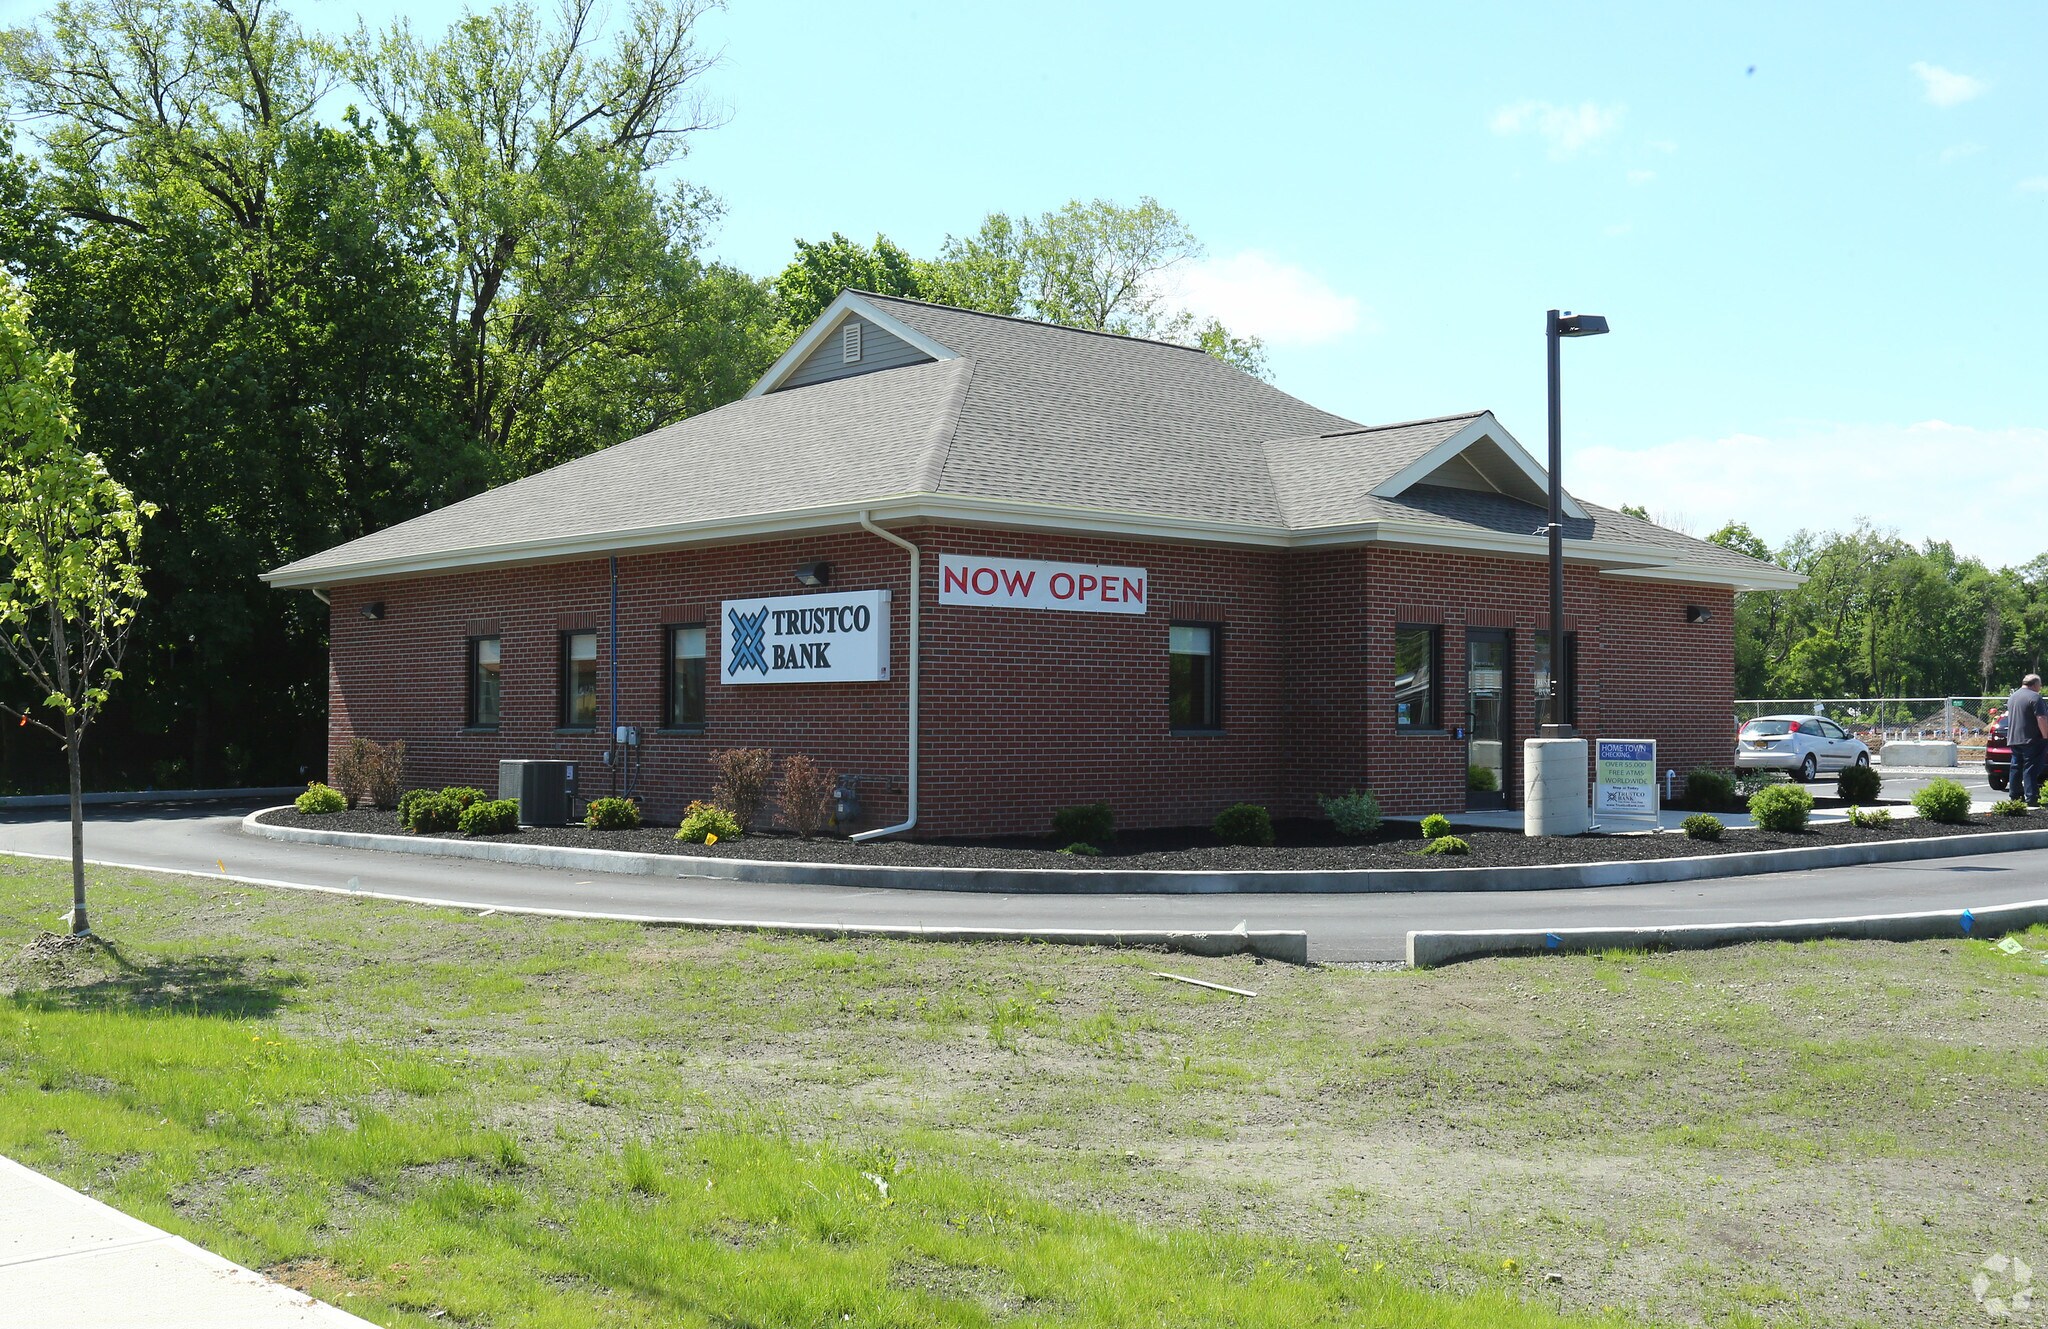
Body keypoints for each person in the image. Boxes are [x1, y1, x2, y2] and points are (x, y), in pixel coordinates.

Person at [2005, 675, 2048, 803]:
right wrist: (2046, 736)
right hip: (2032, 739)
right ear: (2035, 684)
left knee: (2016, 767)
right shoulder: (2035, 697)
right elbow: (2041, 718)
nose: (2040, 688)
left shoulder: (2013, 697)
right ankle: (2032, 797)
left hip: (2014, 738)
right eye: (2040, 685)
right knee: (2031, 769)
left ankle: (2015, 795)